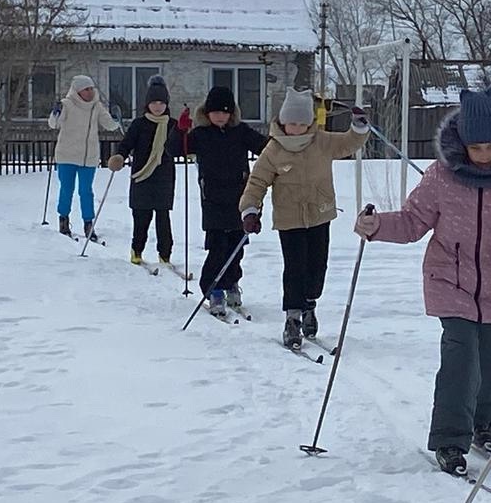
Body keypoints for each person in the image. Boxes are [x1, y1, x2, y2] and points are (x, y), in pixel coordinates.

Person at [353, 88, 491, 475]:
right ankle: (450, 439)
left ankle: (481, 422)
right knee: (461, 359)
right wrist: (376, 226)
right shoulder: (441, 177)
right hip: (448, 281)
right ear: (463, 142)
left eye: (490, 146)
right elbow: (412, 221)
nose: (484, 155)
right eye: (476, 147)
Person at [238, 88, 370, 349]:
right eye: (291, 123)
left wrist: (358, 127)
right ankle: (293, 318)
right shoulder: (274, 149)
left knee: (317, 267)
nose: (296, 129)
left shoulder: (321, 141)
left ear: (310, 123)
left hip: (320, 214)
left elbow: (349, 144)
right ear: (282, 122)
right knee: (295, 268)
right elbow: (257, 182)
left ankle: (310, 306)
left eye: (301, 123)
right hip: (290, 220)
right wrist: (250, 210)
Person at [187, 85, 267, 315]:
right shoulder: (201, 134)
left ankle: (232, 282)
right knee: (218, 247)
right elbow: (175, 149)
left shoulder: (241, 132)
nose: (220, 116)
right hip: (212, 199)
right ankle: (213, 289)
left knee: (237, 246)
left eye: (225, 112)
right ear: (207, 112)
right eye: (215, 112)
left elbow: (266, 148)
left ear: (232, 113)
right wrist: (181, 130)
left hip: (240, 198)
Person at [108, 75, 184, 265]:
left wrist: (185, 133)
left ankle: (165, 254)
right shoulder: (139, 124)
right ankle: (137, 249)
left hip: (164, 176)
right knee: (141, 217)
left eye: (161, 103)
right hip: (141, 176)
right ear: (147, 104)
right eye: (154, 103)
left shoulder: (173, 125)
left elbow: (181, 146)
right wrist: (119, 157)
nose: (158, 107)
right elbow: (126, 144)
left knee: (163, 218)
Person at [47, 74, 120, 239]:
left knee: (86, 191)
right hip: (67, 155)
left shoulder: (96, 106)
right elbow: (54, 124)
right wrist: (55, 113)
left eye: (91, 88)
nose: (90, 92)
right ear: (78, 91)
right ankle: (63, 221)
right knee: (67, 189)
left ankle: (89, 224)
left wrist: (116, 120)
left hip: (89, 157)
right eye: (86, 89)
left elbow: (109, 125)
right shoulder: (67, 104)